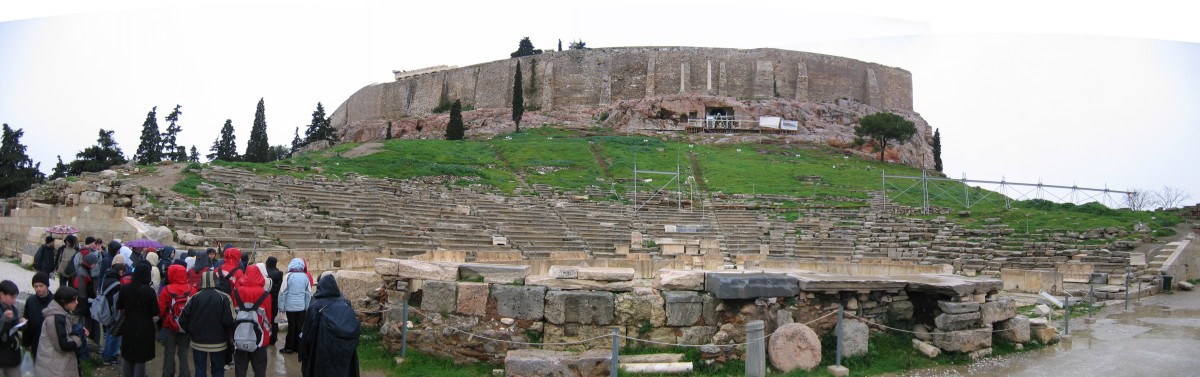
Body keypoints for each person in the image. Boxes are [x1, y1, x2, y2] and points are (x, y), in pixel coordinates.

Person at [298, 274, 360, 377]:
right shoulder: (345, 304)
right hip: (343, 353)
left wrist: (304, 353)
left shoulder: (315, 306)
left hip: (321, 351)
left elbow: (307, 333)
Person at [179, 271, 234, 377]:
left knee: (200, 369)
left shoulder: (194, 297)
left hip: (198, 342)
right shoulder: (225, 297)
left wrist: (191, 331)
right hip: (219, 342)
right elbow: (230, 321)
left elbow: (182, 319)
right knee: (218, 369)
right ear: (216, 280)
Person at [117, 260, 159, 377]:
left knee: (127, 353)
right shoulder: (149, 291)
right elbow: (155, 311)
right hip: (145, 326)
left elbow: (119, 305)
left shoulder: (125, 288)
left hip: (128, 323)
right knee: (141, 356)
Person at [36, 286, 87, 377]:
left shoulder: (61, 313)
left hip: (55, 364)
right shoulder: (56, 318)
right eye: (73, 301)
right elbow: (62, 345)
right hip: (54, 368)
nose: (76, 302)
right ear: (64, 301)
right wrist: (79, 336)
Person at [231, 265, 271, 377]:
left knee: (240, 368)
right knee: (259, 369)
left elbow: (233, 313)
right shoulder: (265, 295)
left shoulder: (236, 292)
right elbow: (267, 318)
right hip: (259, 337)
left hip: (240, 335)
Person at [157, 264, 195, 377]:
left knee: (169, 352)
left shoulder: (166, 290)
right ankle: (185, 373)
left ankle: (168, 373)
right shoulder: (192, 290)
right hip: (185, 325)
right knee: (183, 352)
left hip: (169, 324)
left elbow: (160, 310)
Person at [277, 258, 311, 354]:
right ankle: (298, 346)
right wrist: (307, 307)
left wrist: (281, 307)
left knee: (291, 326)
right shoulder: (305, 277)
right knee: (299, 327)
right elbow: (308, 293)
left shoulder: (288, 276)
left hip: (290, 306)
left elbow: (282, 293)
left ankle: (289, 347)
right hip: (301, 306)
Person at [100, 258, 127, 366]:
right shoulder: (116, 283)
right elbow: (116, 301)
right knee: (114, 334)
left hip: (105, 310)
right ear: (120, 271)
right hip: (112, 312)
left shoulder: (107, 277)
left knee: (109, 333)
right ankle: (110, 357)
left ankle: (107, 354)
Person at [22, 272, 54, 362]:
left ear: (47, 286)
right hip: (36, 341)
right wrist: (26, 343)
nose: (38, 289)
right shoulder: (31, 301)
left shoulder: (55, 301)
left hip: (51, 342)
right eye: (36, 286)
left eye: (41, 286)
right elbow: (26, 322)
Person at [0, 280, 25, 376]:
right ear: (2, 295)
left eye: (15, 297)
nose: (14, 300)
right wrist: (5, 319)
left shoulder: (12, 308)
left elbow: (14, 328)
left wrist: (21, 324)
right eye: (12, 297)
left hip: (12, 355)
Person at [263, 257, 283, 346]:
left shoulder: (265, 274)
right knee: (274, 319)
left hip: (266, 299)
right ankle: (273, 338)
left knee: (265, 318)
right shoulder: (279, 274)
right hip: (275, 300)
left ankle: (265, 337)